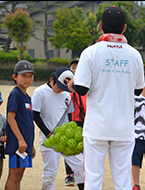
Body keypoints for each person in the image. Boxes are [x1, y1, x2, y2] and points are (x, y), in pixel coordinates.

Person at [68, 5, 145, 189]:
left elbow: (81, 89)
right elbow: (138, 90)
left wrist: (71, 84)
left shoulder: (90, 52)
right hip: (124, 127)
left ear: (100, 25)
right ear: (124, 28)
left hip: (97, 127)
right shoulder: (134, 54)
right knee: (123, 180)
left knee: (93, 179)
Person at [32, 67, 85, 190]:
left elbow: (70, 115)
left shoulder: (67, 94)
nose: (63, 89)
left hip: (66, 139)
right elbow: (35, 115)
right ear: (52, 80)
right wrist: (48, 134)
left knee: (81, 166)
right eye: (60, 85)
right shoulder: (40, 92)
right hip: (49, 140)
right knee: (50, 173)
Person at [4, 60, 36, 190]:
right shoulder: (15, 94)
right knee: (14, 177)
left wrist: (31, 144)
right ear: (15, 77)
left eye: (30, 76)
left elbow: (26, 122)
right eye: (24, 76)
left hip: (25, 144)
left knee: (19, 177)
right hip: (19, 144)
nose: (27, 79)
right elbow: (10, 117)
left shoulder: (27, 96)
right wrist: (21, 140)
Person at [64, 57, 87, 186]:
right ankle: (69, 175)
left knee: (83, 147)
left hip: (84, 119)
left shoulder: (86, 83)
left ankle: (82, 173)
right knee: (69, 146)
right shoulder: (65, 85)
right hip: (71, 119)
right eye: (73, 67)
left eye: (78, 67)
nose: (76, 69)